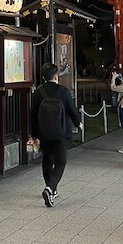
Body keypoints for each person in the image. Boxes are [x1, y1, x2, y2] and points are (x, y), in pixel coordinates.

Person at [29, 62, 82, 207]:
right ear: (56, 76)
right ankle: (50, 188)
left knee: (47, 159)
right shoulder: (63, 91)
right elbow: (72, 110)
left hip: (43, 133)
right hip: (61, 133)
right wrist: (78, 123)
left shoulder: (38, 92)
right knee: (61, 161)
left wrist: (33, 134)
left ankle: (52, 188)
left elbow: (33, 114)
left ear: (43, 77)